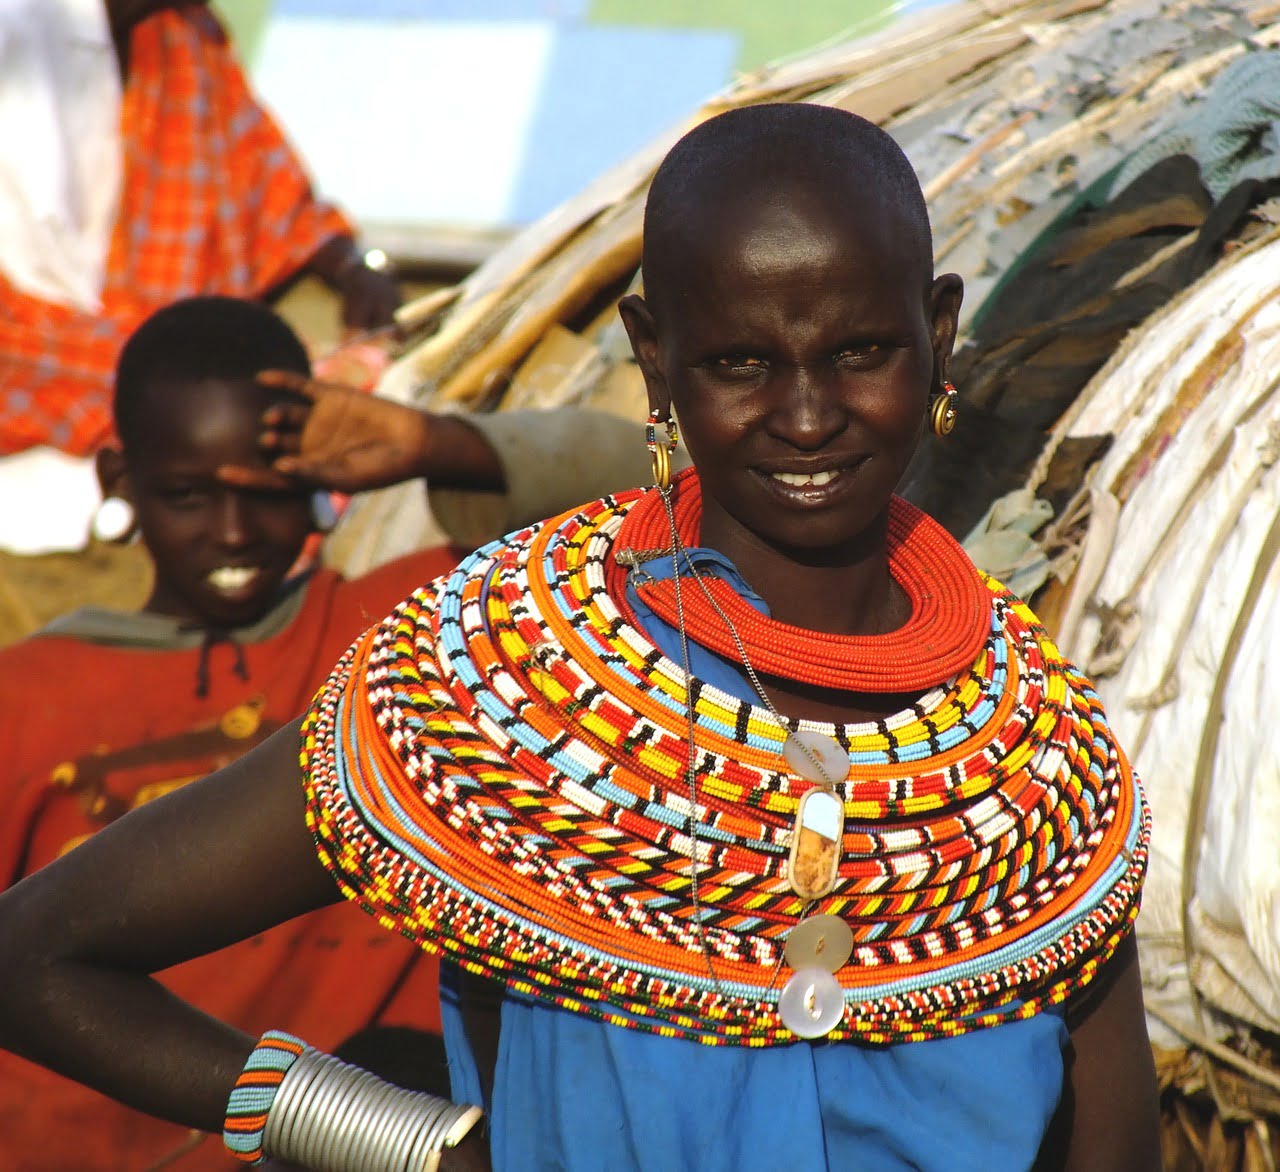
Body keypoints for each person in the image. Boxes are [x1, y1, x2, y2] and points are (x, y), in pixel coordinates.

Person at [0, 105, 1161, 1171]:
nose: (807, 415)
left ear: (937, 332)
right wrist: (405, 1144)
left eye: (860, 351)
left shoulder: (1036, 760)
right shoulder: (510, 679)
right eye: (738, 363)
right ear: (654, 358)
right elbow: (37, 958)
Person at [0, 294, 663, 1171]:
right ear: (120, 481)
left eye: (271, 495)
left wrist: (437, 445)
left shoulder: (403, 629)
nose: (234, 533)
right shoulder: (33, 694)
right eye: (190, 496)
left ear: (319, 483)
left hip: (385, 1145)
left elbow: (662, 501)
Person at [0, 0, 399, 554]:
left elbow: (265, 180)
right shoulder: (18, 34)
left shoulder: (183, 36)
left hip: (171, 347)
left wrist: (356, 271)